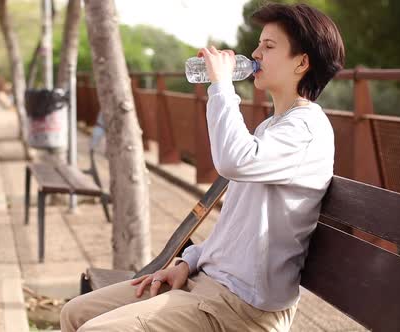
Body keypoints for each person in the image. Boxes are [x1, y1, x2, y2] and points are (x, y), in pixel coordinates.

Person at [60, 3, 345, 331]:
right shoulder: (274, 128)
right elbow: (237, 227)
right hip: (207, 286)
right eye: (259, 44)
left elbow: (233, 160)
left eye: (268, 46)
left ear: (302, 62)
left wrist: (222, 86)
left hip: (242, 308)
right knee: (76, 313)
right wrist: (190, 261)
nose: (255, 53)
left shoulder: (307, 129)